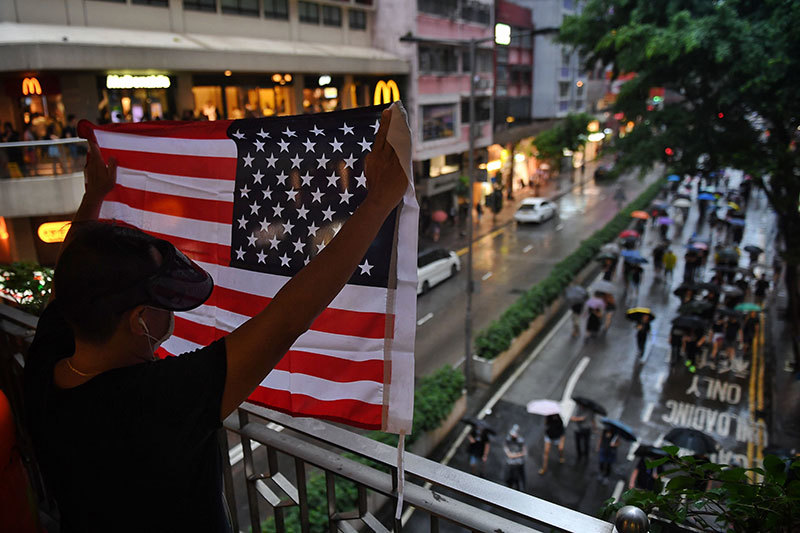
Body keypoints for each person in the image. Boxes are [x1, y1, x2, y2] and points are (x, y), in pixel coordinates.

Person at [22, 108, 409, 531]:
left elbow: (66, 282)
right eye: (163, 297)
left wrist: (94, 195)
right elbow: (284, 320)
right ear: (139, 321)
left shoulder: (48, 364)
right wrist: (378, 202)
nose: (171, 307)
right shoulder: (155, 401)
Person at [503, 424, 527, 491]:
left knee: (519, 478)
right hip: (511, 463)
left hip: (519, 463)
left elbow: (524, 452)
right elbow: (508, 453)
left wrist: (515, 455)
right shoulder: (508, 439)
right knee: (510, 477)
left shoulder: (521, 440)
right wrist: (518, 454)